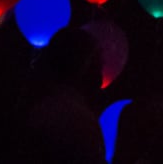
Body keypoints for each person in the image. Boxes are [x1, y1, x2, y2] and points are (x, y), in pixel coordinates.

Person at [12, 27, 107, 164]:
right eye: (97, 66)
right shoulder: (75, 119)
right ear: (83, 66)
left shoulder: (37, 104)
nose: (100, 78)